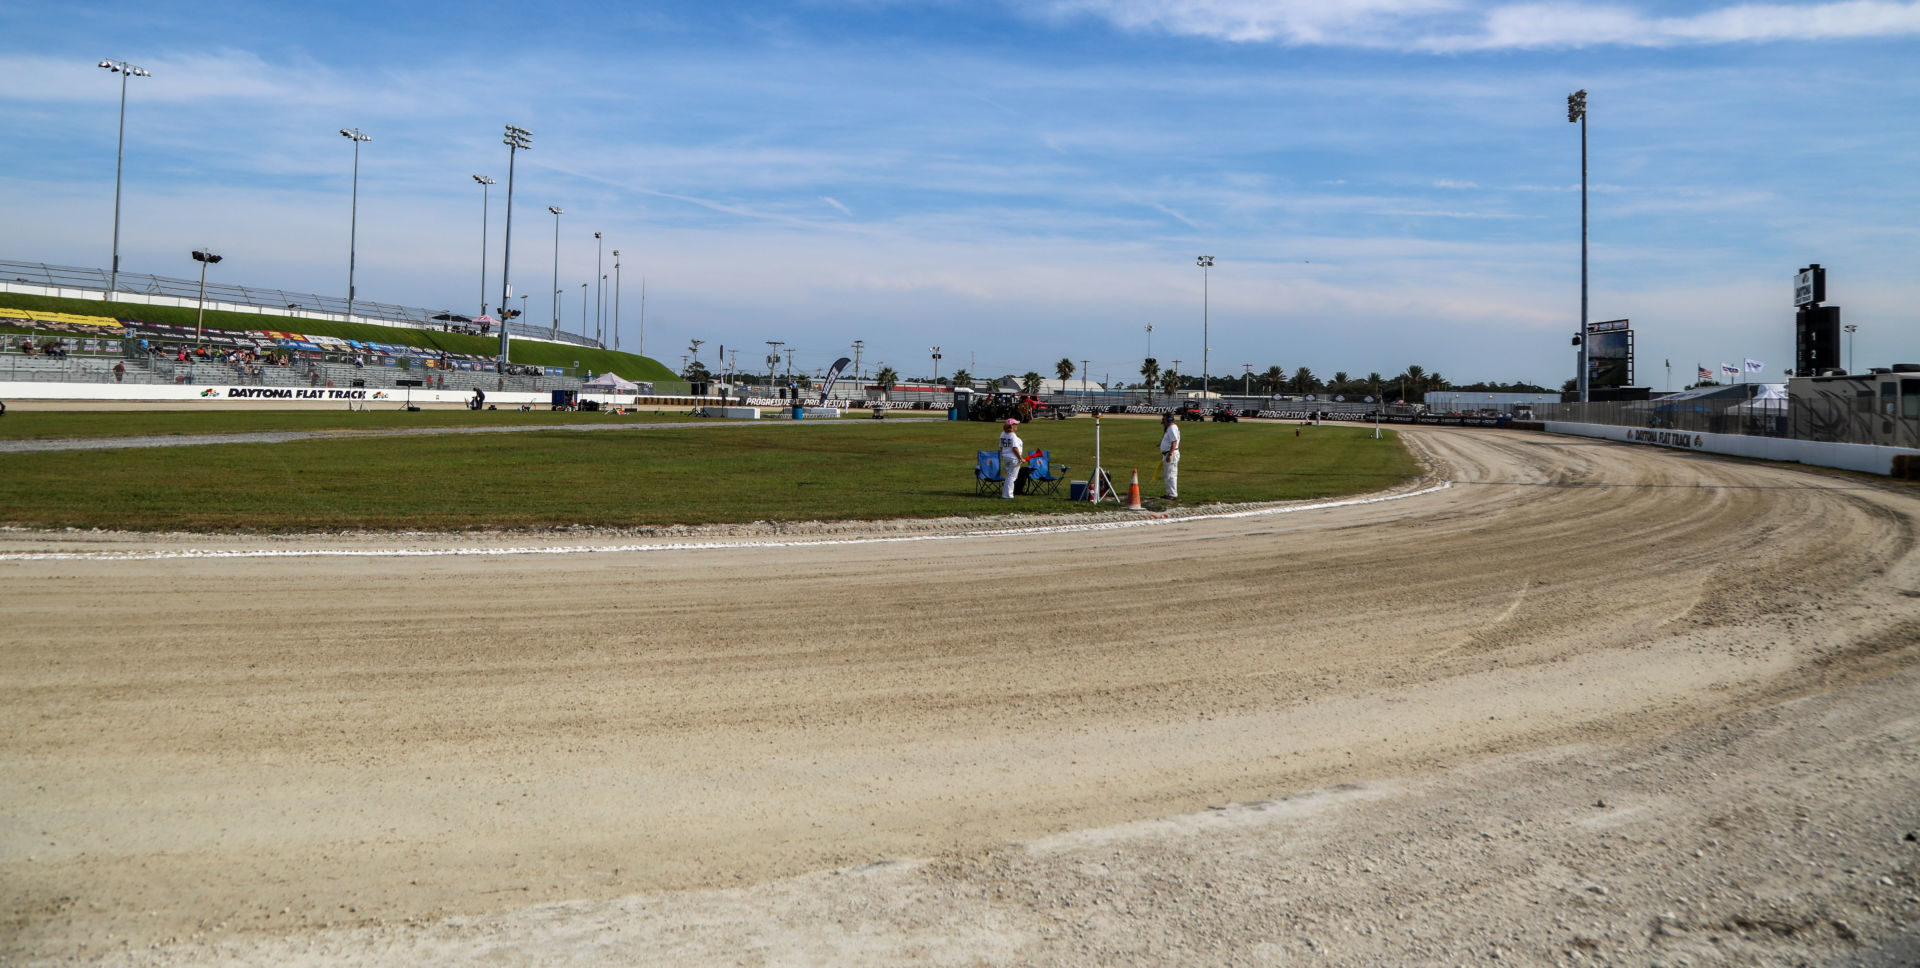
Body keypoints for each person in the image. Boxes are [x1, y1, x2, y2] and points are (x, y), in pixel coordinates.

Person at [998, 417, 1027, 499]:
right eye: (1015, 424)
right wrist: (1021, 458)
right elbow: (1014, 448)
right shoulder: (1013, 435)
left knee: (1009, 476)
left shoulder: (1002, 434)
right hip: (1013, 458)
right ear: (1012, 426)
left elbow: (1001, 446)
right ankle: (1008, 495)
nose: (1016, 426)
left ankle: (1005, 493)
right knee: (1012, 477)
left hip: (1006, 457)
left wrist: (1004, 453)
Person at [1159, 411, 1181, 500]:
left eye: (1164, 419)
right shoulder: (1170, 428)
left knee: (1171, 475)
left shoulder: (1172, 428)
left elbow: (1174, 442)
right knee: (1168, 475)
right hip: (1168, 453)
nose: (1163, 421)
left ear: (1169, 419)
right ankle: (1169, 493)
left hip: (1170, 454)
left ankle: (1172, 494)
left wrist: (1170, 454)